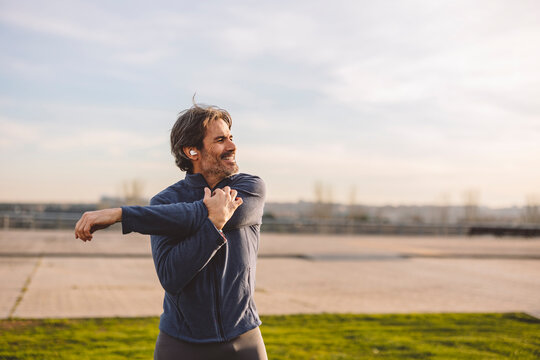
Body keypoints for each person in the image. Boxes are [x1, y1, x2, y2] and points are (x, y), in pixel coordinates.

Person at [74, 103, 268, 360]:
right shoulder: (164, 203)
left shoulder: (248, 188)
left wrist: (124, 215)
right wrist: (213, 223)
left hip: (243, 341)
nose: (232, 146)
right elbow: (172, 277)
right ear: (192, 151)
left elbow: (211, 215)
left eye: (231, 138)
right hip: (180, 345)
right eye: (220, 140)